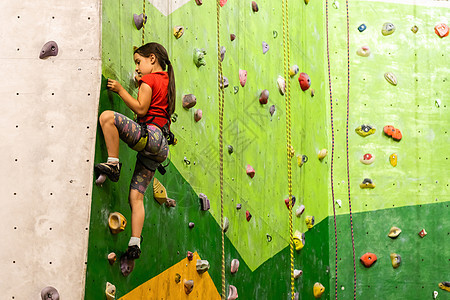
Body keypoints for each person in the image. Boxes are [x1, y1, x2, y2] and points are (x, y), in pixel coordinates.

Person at [95, 42, 175, 260]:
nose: (137, 68)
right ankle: (135, 243)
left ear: (152, 58)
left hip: (150, 137)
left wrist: (121, 90)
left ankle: (113, 163)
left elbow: (141, 108)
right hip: (160, 149)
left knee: (107, 117)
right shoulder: (167, 81)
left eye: (138, 62)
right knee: (136, 196)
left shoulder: (148, 80)